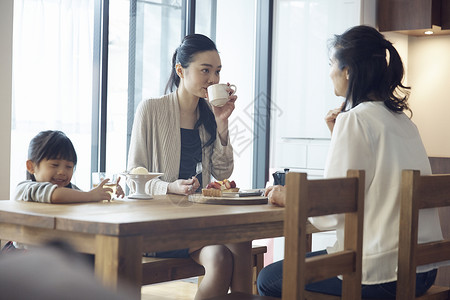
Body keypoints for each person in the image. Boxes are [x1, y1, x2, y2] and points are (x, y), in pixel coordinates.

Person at [257, 25, 444, 298]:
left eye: (331, 64)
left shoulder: (355, 119)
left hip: (380, 273)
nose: (329, 72)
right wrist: (339, 136)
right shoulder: (402, 121)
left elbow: (332, 212)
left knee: (268, 278)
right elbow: (372, 182)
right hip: (423, 269)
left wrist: (290, 196)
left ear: (348, 70)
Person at [127, 34, 251, 299]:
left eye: (217, 71)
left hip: (196, 224)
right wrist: (169, 186)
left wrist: (222, 123)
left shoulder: (208, 116)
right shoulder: (150, 109)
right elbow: (133, 176)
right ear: (180, 70)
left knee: (236, 243)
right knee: (228, 251)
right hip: (158, 226)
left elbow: (223, 172)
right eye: (205, 70)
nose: (213, 79)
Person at [14, 130, 124, 203]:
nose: (62, 171)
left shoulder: (71, 190)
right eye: (55, 165)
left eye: (69, 166)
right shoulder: (25, 189)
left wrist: (103, 193)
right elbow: (55, 195)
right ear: (31, 166)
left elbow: (86, 198)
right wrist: (91, 195)